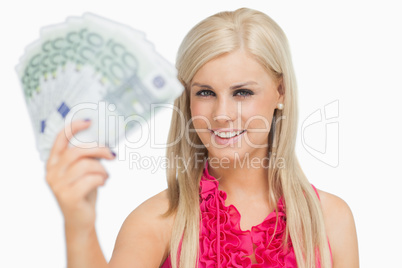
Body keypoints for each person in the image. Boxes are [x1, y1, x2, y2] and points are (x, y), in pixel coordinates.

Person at [45, 7, 359, 268]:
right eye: (205, 92)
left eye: (242, 92)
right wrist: (79, 226)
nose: (221, 113)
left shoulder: (331, 220)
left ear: (281, 92)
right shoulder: (157, 222)